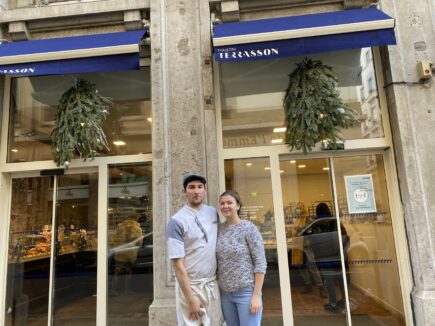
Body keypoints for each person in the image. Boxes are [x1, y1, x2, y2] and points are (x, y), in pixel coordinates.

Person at [166, 174, 223, 326]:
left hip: (211, 285)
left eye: (200, 187)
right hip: (190, 287)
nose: (196, 191)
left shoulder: (213, 212)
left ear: (205, 190)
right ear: (183, 191)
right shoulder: (176, 221)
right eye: (191, 187)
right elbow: (177, 266)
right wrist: (191, 298)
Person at [216, 190, 267, 326]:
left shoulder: (249, 229)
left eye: (229, 203)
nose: (225, 206)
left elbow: (260, 263)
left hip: (246, 293)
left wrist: (256, 295)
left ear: (238, 206)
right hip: (226, 294)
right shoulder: (218, 229)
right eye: (222, 203)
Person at [112, 214, 143, 294]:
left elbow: (114, 239)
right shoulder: (137, 228)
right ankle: (127, 290)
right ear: (135, 219)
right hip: (130, 253)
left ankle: (114, 290)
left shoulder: (119, 227)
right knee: (129, 271)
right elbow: (139, 242)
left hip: (120, 252)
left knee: (117, 271)